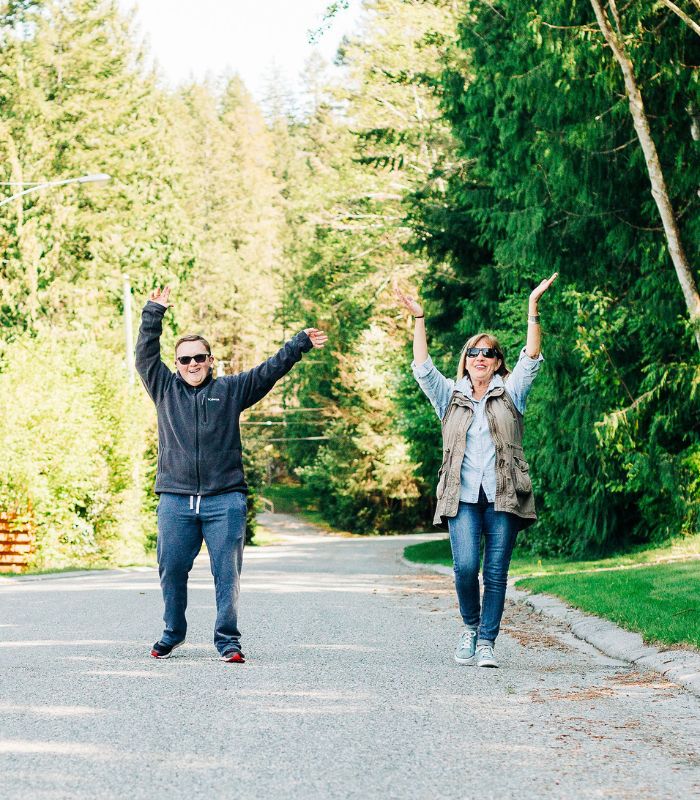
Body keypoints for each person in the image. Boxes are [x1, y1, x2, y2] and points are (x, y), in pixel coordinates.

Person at [135, 286, 328, 662]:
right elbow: (144, 355)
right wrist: (153, 312)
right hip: (175, 498)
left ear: (211, 360)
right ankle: (173, 632)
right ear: (176, 364)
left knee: (227, 576)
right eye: (185, 359)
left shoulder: (231, 390)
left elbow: (270, 370)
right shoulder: (163, 389)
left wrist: (299, 343)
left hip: (225, 499)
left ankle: (227, 640)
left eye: (199, 358)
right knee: (171, 569)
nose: (192, 364)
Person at [395, 274, 557, 668]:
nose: (479, 358)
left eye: (487, 353)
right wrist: (419, 319)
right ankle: (470, 627)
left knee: (496, 573)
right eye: (473, 353)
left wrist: (533, 307)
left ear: (498, 362)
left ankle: (486, 641)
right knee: (466, 568)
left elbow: (531, 359)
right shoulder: (449, 396)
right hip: (462, 496)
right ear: (465, 361)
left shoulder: (511, 391)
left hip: (503, 496)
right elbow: (422, 367)